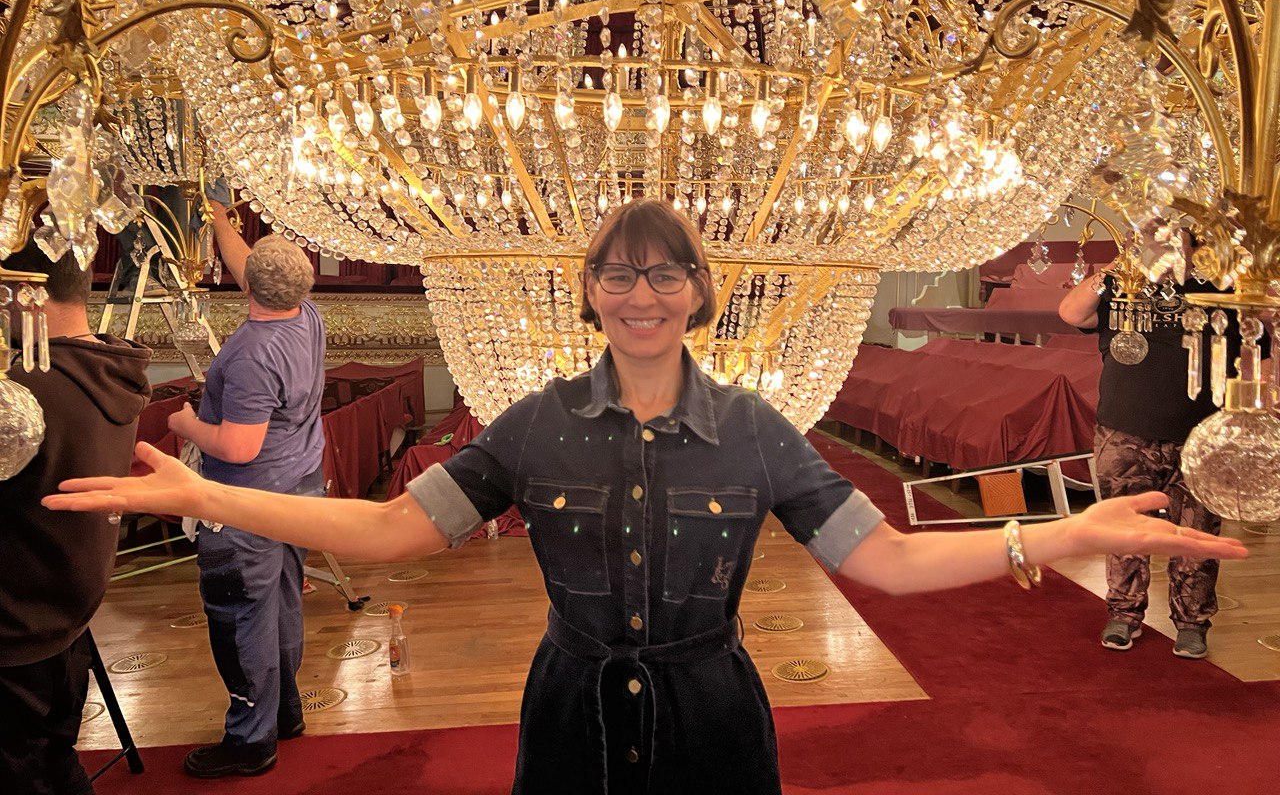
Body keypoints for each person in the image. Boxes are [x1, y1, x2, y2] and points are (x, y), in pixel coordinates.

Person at [46, 200, 1246, 795]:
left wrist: (1063, 531)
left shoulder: (755, 429)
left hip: (714, 716)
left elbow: (885, 560)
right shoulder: (535, 424)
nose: (642, 295)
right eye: (619, 275)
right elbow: (387, 531)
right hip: (567, 712)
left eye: (665, 274)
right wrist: (215, 495)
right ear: (589, 292)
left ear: (697, 292)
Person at [165, 200, 327, 778]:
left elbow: (238, 447)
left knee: (238, 616)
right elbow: (250, 269)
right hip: (298, 493)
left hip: (245, 503)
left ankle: (250, 741)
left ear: (252, 289)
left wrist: (185, 425)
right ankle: (284, 712)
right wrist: (218, 222)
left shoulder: (253, 354)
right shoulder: (306, 316)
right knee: (279, 606)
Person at [0, 240, 151, 795]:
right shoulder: (107, 366)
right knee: (55, 764)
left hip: (16, 631)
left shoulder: (23, 391)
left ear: (25, 294)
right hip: (68, 614)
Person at [1060, 261, 1246, 660]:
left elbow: (1261, 340)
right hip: (1124, 427)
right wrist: (1111, 270)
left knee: (1197, 534)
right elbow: (1071, 313)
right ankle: (1123, 614)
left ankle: (1192, 623)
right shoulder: (1122, 281)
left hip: (1201, 432)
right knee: (1124, 527)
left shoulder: (1224, 283)